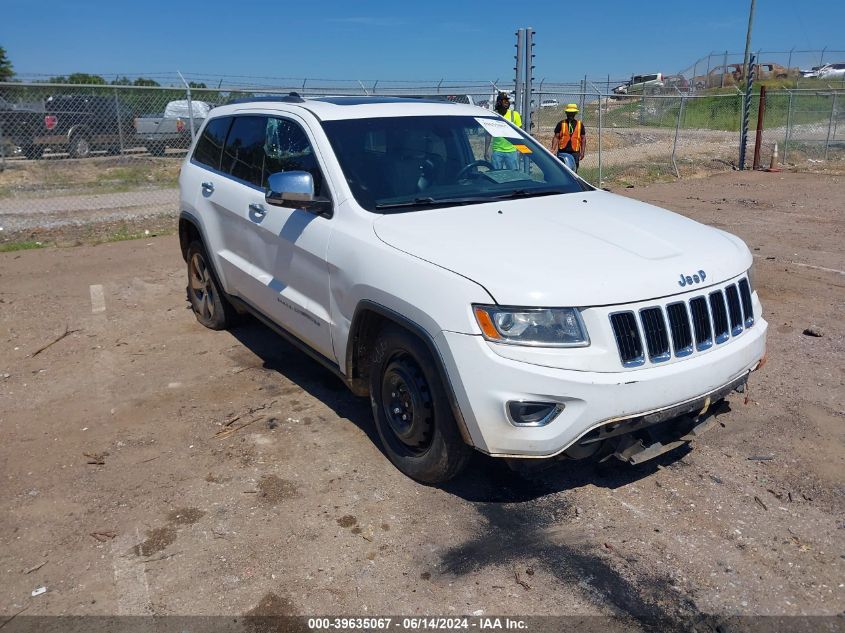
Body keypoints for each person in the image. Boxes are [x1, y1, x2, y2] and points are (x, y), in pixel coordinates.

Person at [486, 92, 522, 170]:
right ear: (498, 103)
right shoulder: (493, 115)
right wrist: (486, 151)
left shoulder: (515, 115)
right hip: (497, 151)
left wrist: (520, 149)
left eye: (507, 101)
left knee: (514, 176)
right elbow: (488, 134)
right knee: (497, 175)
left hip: (512, 151)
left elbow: (520, 134)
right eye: (503, 101)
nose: (506, 103)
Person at [551, 103, 586, 171]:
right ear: (566, 113)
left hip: (575, 152)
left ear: (575, 113)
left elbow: (583, 138)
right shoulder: (561, 123)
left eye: (572, 113)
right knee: (562, 170)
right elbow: (556, 137)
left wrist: (582, 152)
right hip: (563, 151)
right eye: (569, 113)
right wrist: (553, 149)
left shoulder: (580, 124)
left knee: (574, 171)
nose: (570, 115)